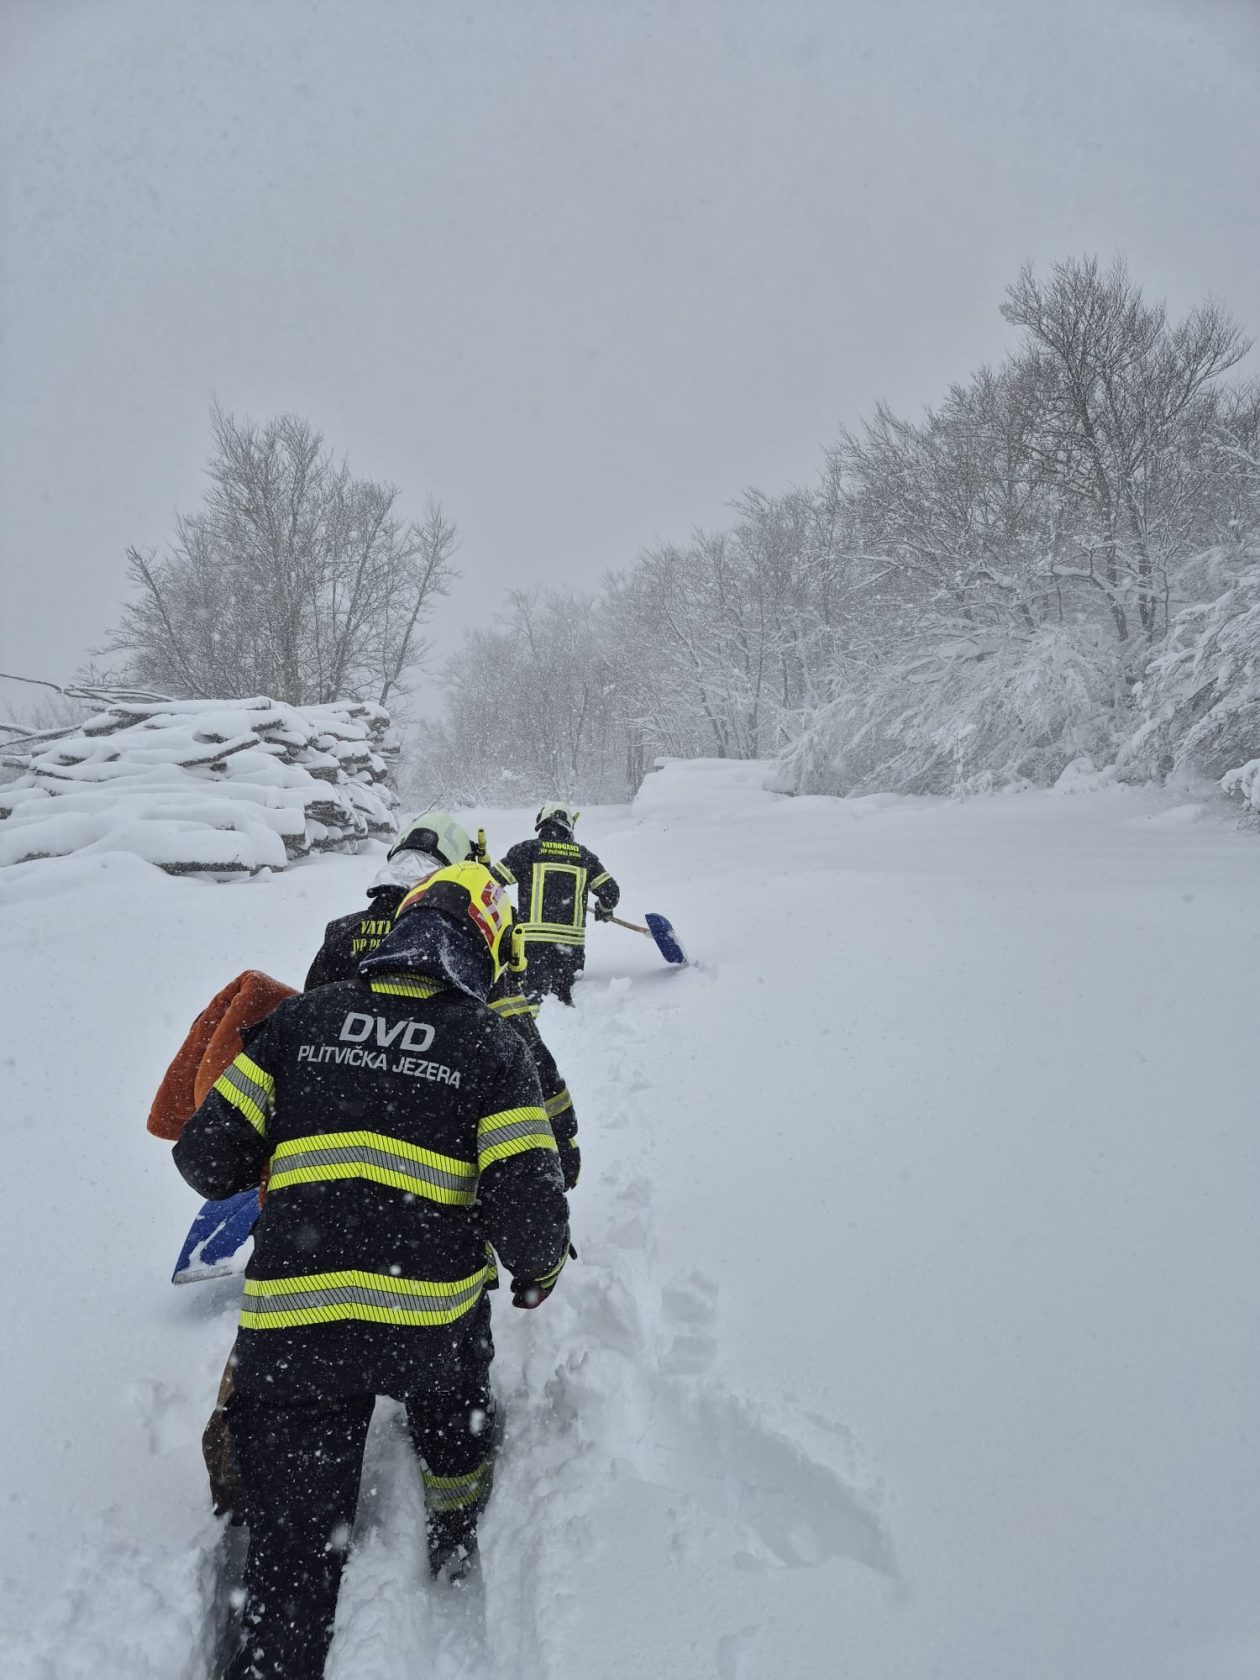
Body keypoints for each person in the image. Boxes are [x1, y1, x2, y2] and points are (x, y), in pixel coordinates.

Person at [173, 862, 571, 1680]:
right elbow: (531, 1220)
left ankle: (277, 1652)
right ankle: (454, 1525)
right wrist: (537, 1275)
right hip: (425, 1333)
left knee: (291, 1560)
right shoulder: (494, 1048)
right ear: (486, 950)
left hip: (296, 1332)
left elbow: (206, 1161)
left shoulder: (301, 1021)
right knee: (457, 1405)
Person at [306, 811, 581, 1190]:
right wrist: (561, 1135)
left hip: (326, 1153)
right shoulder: (463, 949)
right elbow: (522, 1049)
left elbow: (308, 1037)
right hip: (437, 1151)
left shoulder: (340, 935)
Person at [495, 803, 620, 1005]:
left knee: (530, 1001)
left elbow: (492, 882)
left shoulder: (526, 851)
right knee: (563, 1001)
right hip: (569, 949)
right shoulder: (585, 857)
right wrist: (604, 909)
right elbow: (611, 892)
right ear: (569, 826)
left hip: (531, 946)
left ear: (542, 823)